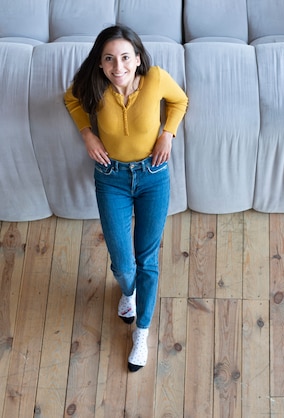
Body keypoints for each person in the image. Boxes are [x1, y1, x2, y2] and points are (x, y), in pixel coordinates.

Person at [64, 25, 188, 372]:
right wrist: (88, 134)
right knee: (122, 262)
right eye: (109, 59)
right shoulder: (94, 84)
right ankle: (128, 294)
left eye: (124, 57)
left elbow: (180, 101)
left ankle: (142, 334)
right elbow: (70, 99)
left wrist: (168, 134)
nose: (117, 66)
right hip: (111, 178)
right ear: (101, 64)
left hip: (152, 176)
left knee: (147, 260)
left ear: (137, 58)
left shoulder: (156, 79)